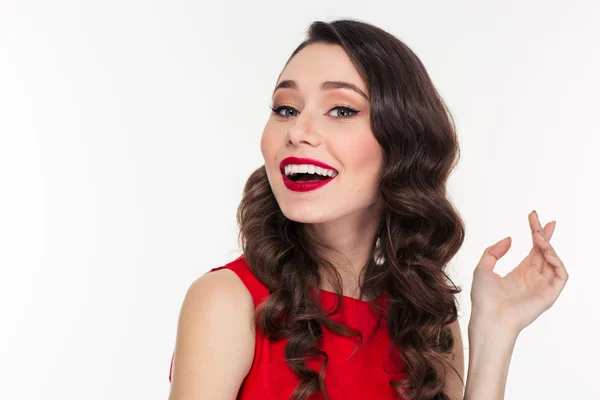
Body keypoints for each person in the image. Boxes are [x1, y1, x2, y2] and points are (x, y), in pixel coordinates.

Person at [167, 19, 568, 400]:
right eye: (286, 108)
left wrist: (495, 333)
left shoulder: (425, 319)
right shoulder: (226, 301)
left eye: (341, 110)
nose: (298, 132)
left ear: (401, 144)